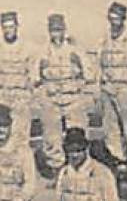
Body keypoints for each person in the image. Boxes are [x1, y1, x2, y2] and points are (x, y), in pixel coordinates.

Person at [0, 10, 58, 170]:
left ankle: (23, 169)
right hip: (1, 98)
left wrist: (33, 98)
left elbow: (34, 76)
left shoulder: (29, 49)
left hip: (21, 99)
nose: (8, 30)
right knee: (1, 137)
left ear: (17, 27)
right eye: (5, 27)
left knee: (22, 138)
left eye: (11, 26)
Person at [93, 1, 127, 173]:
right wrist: (99, 84)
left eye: (117, 18)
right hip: (108, 88)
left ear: (124, 19)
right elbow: (97, 62)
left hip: (126, 89)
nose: (114, 21)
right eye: (111, 18)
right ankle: (119, 159)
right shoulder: (104, 37)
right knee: (111, 128)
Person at [38, 12, 96, 146]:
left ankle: (78, 164)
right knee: (52, 138)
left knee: (77, 135)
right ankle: (56, 165)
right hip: (52, 100)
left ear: (64, 30)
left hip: (73, 100)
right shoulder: (42, 52)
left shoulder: (75, 50)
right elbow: (34, 78)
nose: (56, 34)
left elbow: (90, 75)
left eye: (59, 30)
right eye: (53, 30)